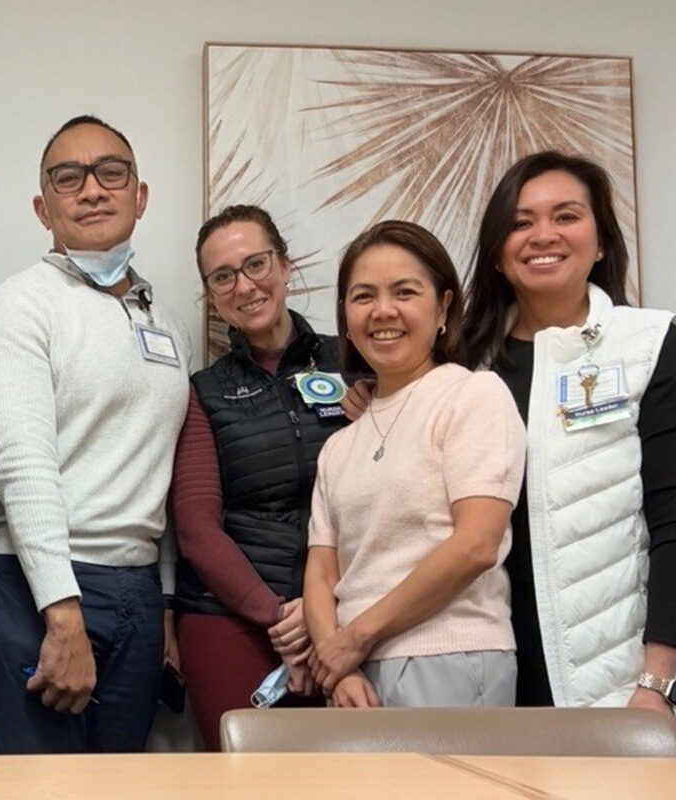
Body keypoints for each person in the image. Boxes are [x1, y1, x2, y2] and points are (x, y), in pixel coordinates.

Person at [0, 115, 191, 753]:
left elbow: (162, 471)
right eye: (69, 179)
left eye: (110, 173)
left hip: (139, 592)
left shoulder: (166, 323)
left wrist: (167, 604)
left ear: (139, 194)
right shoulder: (21, 304)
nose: (92, 189)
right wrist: (61, 614)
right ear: (44, 208)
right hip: (43, 587)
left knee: (118, 785)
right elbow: (21, 465)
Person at [463, 152, 676, 711]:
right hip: (488, 667)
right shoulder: (464, 365)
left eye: (566, 216)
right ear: (496, 253)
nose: (543, 235)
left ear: (601, 240)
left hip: (619, 677)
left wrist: (657, 681)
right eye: (520, 221)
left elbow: (672, 521)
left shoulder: (650, 344)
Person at [303, 220, 526, 708]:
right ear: (344, 314)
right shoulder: (338, 446)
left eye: (405, 292)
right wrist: (336, 665)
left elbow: (476, 545)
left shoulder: (473, 395)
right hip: (353, 675)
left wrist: (355, 638)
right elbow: (321, 572)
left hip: (452, 655)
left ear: (443, 306)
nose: (384, 311)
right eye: (363, 296)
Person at [169, 205, 339, 749]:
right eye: (223, 276)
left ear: (286, 267)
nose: (244, 286)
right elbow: (196, 527)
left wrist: (320, 611)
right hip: (230, 619)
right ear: (211, 295)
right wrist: (281, 616)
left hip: (348, 612)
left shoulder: (354, 362)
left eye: (256, 264)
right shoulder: (203, 390)